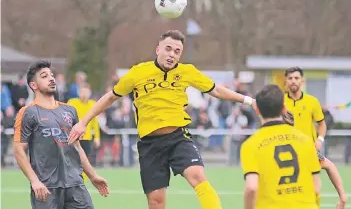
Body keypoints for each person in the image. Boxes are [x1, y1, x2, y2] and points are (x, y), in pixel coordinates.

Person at [68, 30, 257, 209]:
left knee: (197, 176)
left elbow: (215, 90)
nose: (172, 54)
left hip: (178, 137)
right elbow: (110, 97)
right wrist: (83, 122)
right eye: (168, 49)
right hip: (150, 144)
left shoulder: (187, 71)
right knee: (156, 202)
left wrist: (248, 100)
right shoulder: (138, 72)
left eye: (177, 51)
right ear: (158, 49)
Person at [13, 60, 109, 209]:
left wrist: (92, 176)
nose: (51, 78)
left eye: (52, 75)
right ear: (33, 85)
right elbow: (18, 150)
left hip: (75, 185)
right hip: (46, 188)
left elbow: (77, 147)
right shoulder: (27, 112)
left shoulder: (69, 110)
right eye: (44, 76)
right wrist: (34, 181)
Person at [241, 84, 321, 209]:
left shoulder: (250, 144)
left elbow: (251, 188)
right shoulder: (305, 140)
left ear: (257, 110)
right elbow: (316, 187)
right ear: (284, 109)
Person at [284, 67, 347, 208]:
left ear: (302, 80)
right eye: (290, 78)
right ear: (285, 82)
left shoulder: (312, 101)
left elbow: (322, 124)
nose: (293, 81)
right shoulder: (280, 103)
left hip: (308, 151)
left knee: (317, 187)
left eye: (296, 78)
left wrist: (320, 139)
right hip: (286, 152)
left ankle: (343, 197)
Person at [67, 83, 101, 182]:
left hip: (87, 138)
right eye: (82, 91)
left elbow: (95, 122)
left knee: (86, 162)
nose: (84, 94)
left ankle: (82, 183)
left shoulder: (93, 104)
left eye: (86, 91)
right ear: (79, 92)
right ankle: (72, 180)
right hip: (74, 137)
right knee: (72, 161)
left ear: (89, 93)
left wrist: (97, 137)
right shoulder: (72, 102)